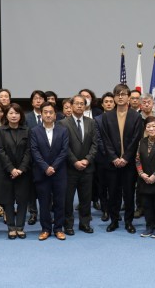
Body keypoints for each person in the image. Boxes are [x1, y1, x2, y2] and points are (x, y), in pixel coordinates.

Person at [101, 84, 143, 233]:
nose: (120, 97)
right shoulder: (106, 116)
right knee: (113, 193)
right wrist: (114, 157)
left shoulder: (136, 116)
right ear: (114, 97)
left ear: (129, 97)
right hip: (112, 163)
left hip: (129, 163)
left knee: (129, 194)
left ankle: (128, 222)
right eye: (117, 94)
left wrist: (125, 158)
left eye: (123, 94)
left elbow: (136, 139)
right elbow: (105, 139)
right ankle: (114, 221)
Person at [58, 95, 98, 235]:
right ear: (72, 105)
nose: (80, 106)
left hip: (87, 168)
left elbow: (95, 144)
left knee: (86, 199)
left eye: (82, 103)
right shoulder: (63, 123)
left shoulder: (91, 122)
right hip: (70, 168)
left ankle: (84, 223)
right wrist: (74, 161)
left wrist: (87, 160)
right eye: (77, 103)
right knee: (68, 199)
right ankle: (68, 224)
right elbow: (64, 146)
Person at [31, 102, 69, 241]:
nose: (48, 114)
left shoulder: (63, 130)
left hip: (59, 172)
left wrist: (54, 166)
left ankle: (58, 228)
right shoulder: (35, 131)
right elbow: (34, 151)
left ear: (55, 115)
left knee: (60, 202)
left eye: (50, 112)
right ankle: (46, 229)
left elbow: (64, 151)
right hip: (42, 173)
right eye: (45, 112)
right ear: (41, 114)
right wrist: (46, 167)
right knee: (44, 203)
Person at [0, 103, 33, 240]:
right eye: (10, 113)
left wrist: (21, 169)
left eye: (16, 113)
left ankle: (20, 227)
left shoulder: (27, 130)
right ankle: (11, 227)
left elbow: (29, 151)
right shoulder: (1, 130)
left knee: (22, 201)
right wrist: (11, 168)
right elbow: (0, 151)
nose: (14, 115)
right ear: (6, 115)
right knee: (8, 200)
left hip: (23, 172)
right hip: (6, 172)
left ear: (20, 115)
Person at [25, 90, 46, 226]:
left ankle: (46, 211)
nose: (38, 101)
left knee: (47, 189)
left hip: (48, 159)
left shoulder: (51, 116)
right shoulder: (26, 118)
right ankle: (33, 212)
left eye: (41, 98)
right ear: (32, 102)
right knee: (31, 189)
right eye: (35, 99)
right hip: (31, 160)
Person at [94, 92, 115, 222]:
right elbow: (98, 139)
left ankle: (114, 210)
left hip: (116, 159)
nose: (108, 103)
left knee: (114, 187)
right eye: (106, 101)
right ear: (102, 104)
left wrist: (115, 155)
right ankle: (105, 210)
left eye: (111, 101)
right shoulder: (97, 120)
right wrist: (108, 154)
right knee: (102, 187)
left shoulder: (119, 118)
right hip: (102, 159)